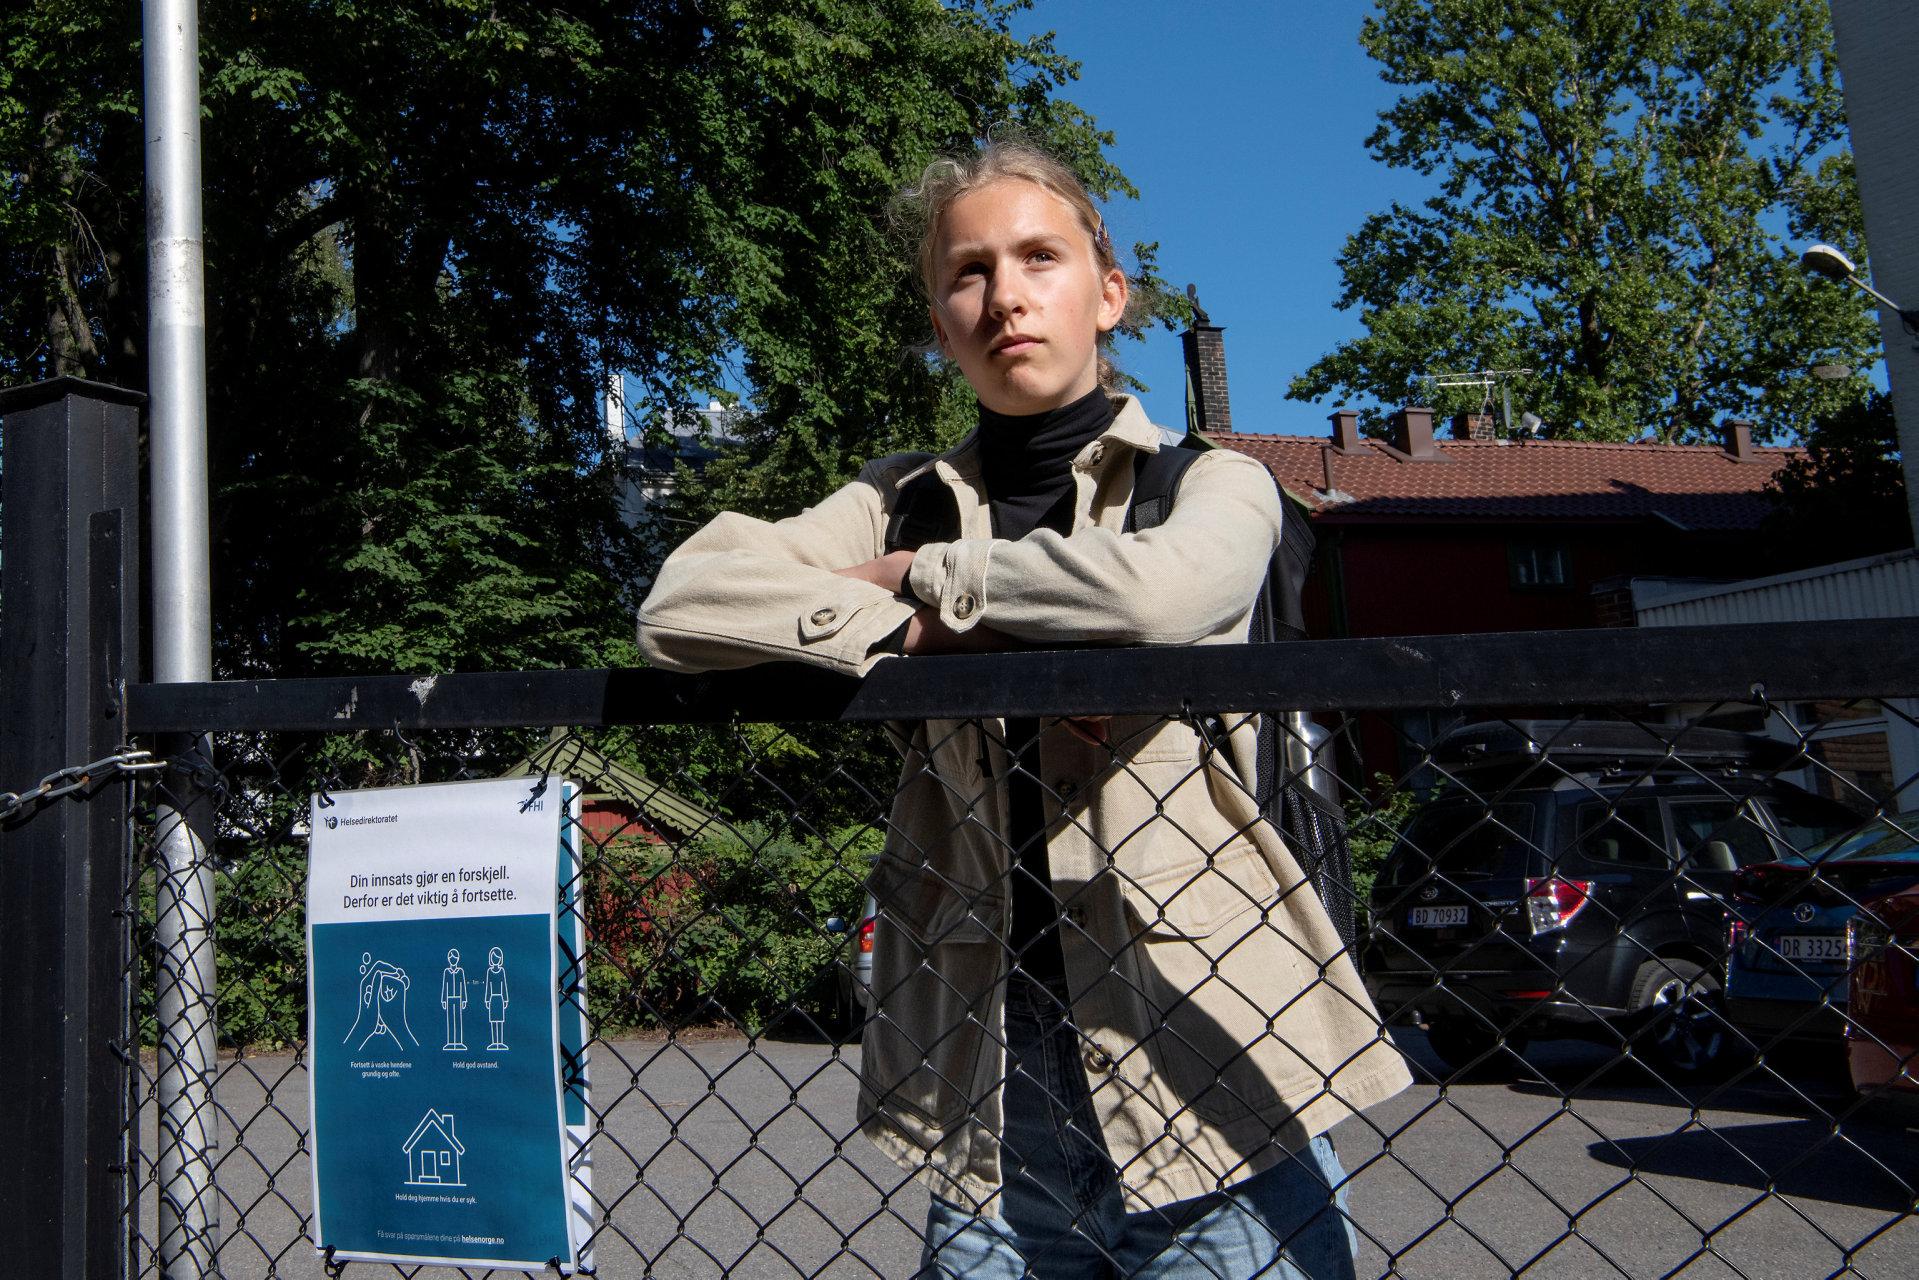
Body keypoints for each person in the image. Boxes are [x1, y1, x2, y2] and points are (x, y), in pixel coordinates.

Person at [636, 139, 1410, 1278]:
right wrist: (930, 626)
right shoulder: (893, 495)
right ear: (939, 323)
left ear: (1106, 294)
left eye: (1038, 257)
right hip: (988, 1077)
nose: (1003, 294)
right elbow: (683, 600)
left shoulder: (1206, 478)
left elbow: (1166, 593)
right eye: (966, 272)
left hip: (1201, 1051)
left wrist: (920, 582)